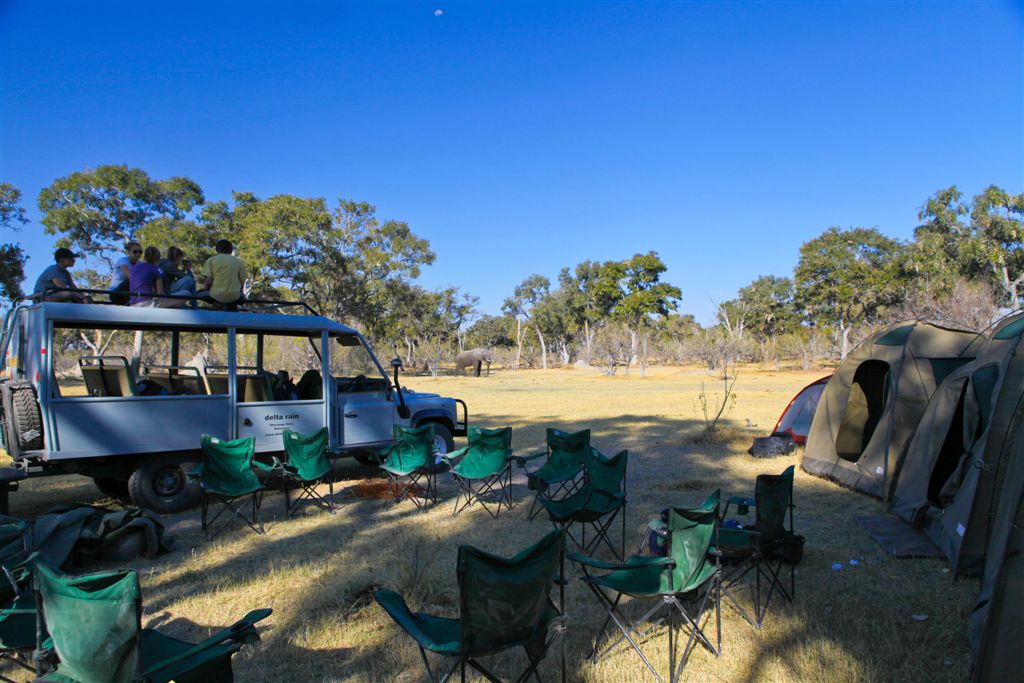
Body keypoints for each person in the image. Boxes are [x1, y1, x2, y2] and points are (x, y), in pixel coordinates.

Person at [197, 239, 246, 310]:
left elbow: (208, 282)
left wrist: (207, 289)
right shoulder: (238, 262)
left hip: (216, 295)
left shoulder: (211, 260)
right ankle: (231, 308)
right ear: (231, 250)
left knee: (199, 293)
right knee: (241, 297)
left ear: (217, 249)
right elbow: (242, 283)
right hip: (234, 296)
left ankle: (217, 306)